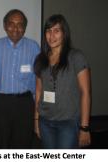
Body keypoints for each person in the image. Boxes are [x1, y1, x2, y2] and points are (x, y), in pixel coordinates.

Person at [34, 14, 91, 149]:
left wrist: (84, 127)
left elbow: (85, 92)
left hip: (68, 123)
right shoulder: (40, 59)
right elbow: (38, 91)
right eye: (48, 30)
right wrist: (36, 120)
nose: (51, 35)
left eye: (56, 30)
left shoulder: (76, 57)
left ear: (64, 33)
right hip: (45, 121)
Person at [0, 9, 40, 148]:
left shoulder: (33, 47)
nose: (15, 28)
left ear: (24, 27)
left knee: (23, 142)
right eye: (11, 24)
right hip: (1, 102)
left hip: (24, 103)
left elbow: (39, 78)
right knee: (2, 141)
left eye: (20, 24)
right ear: (5, 25)